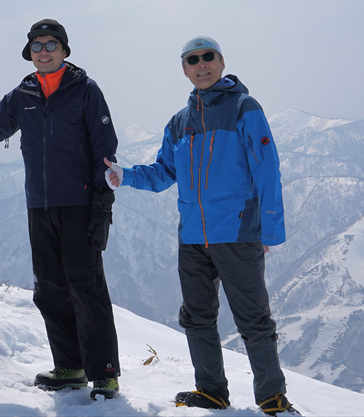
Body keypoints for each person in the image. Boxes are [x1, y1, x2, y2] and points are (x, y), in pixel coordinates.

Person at [104, 36, 298, 415]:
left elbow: (267, 169)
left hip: (237, 232)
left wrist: (271, 230)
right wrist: (125, 175)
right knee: (196, 317)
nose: (201, 64)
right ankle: (211, 391)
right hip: (192, 236)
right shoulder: (180, 122)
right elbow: (164, 171)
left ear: (222, 62)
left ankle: (272, 399)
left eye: (208, 57)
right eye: (192, 60)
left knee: (253, 319)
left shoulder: (244, 108)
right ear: (184, 69)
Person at [0, 18, 121, 401]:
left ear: (64, 50)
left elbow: (105, 151)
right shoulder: (23, 94)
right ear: (29, 53)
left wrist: (102, 206)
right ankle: (70, 368)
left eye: (51, 44)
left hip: (80, 204)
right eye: (37, 45)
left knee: (86, 289)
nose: (44, 51)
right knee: (50, 289)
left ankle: (104, 374)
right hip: (40, 206)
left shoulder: (85, 90)